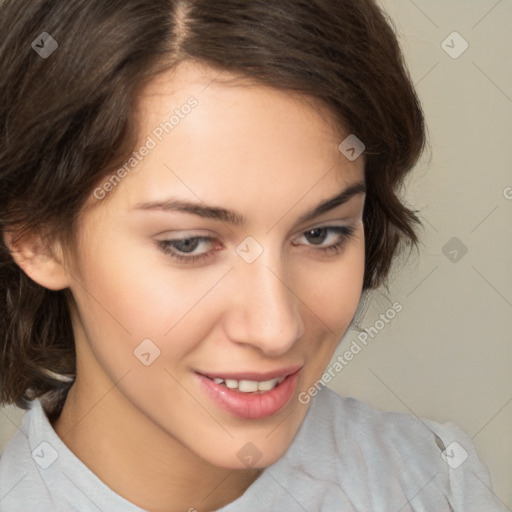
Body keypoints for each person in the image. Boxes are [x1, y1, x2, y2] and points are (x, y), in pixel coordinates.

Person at [0, 1, 505, 511]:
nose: (276, 329)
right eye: (189, 243)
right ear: (36, 236)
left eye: (321, 233)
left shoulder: (436, 483)